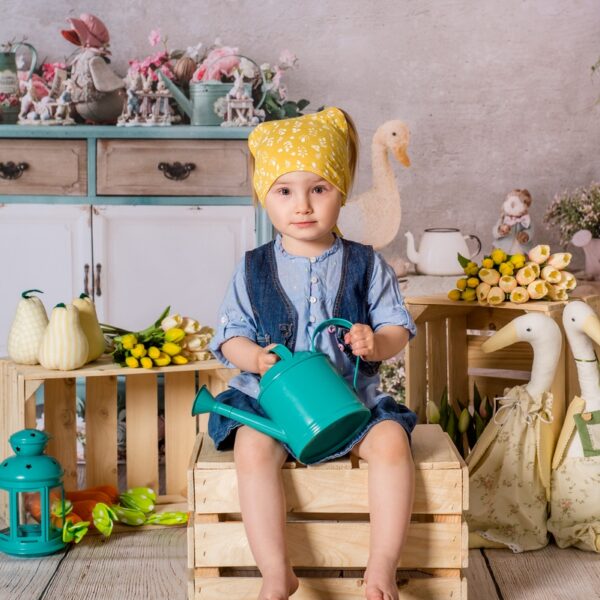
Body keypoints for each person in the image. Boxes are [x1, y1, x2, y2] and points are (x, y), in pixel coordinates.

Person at [208, 106, 417, 600]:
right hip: (274, 406)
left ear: (341, 191)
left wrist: (377, 341)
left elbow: (398, 328)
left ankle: (381, 567)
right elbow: (230, 335)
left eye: (318, 189)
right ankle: (276, 572)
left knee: (392, 443)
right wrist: (254, 359)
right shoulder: (253, 268)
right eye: (284, 191)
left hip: (350, 401)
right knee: (252, 447)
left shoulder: (366, 263)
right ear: (265, 197)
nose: (302, 205)